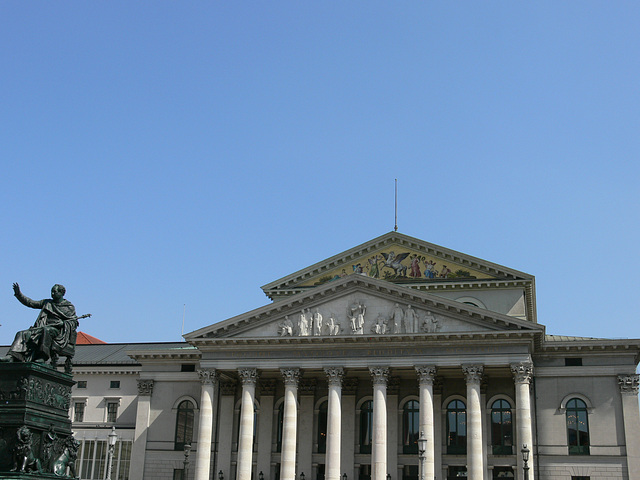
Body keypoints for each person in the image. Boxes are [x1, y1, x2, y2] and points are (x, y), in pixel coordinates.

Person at [2, 283, 77, 363]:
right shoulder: (47, 303)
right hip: (41, 328)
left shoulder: (68, 307)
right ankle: (12, 356)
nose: (52, 294)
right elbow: (30, 303)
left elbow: (73, 322)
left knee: (46, 330)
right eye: (51, 291)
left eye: (54, 292)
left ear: (62, 293)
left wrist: (63, 323)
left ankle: (43, 356)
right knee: (21, 333)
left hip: (57, 332)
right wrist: (18, 294)